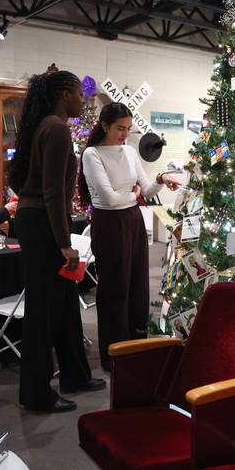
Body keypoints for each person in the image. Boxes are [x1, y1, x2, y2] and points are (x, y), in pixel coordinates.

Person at [11, 70, 105, 414]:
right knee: (44, 310)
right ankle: (36, 393)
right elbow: (51, 191)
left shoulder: (46, 126)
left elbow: (29, 184)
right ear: (65, 94)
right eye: (80, 94)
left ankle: (75, 375)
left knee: (65, 303)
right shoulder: (57, 128)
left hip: (39, 220)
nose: (85, 100)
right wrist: (65, 244)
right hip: (43, 225)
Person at [78, 103, 181, 371]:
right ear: (104, 125)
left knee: (137, 286)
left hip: (132, 221)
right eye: (120, 128)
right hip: (110, 224)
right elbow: (110, 200)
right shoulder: (91, 154)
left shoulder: (130, 151)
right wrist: (133, 195)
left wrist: (160, 178)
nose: (125, 134)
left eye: (128, 129)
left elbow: (146, 188)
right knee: (114, 290)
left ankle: (136, 348)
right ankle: (114, 355)